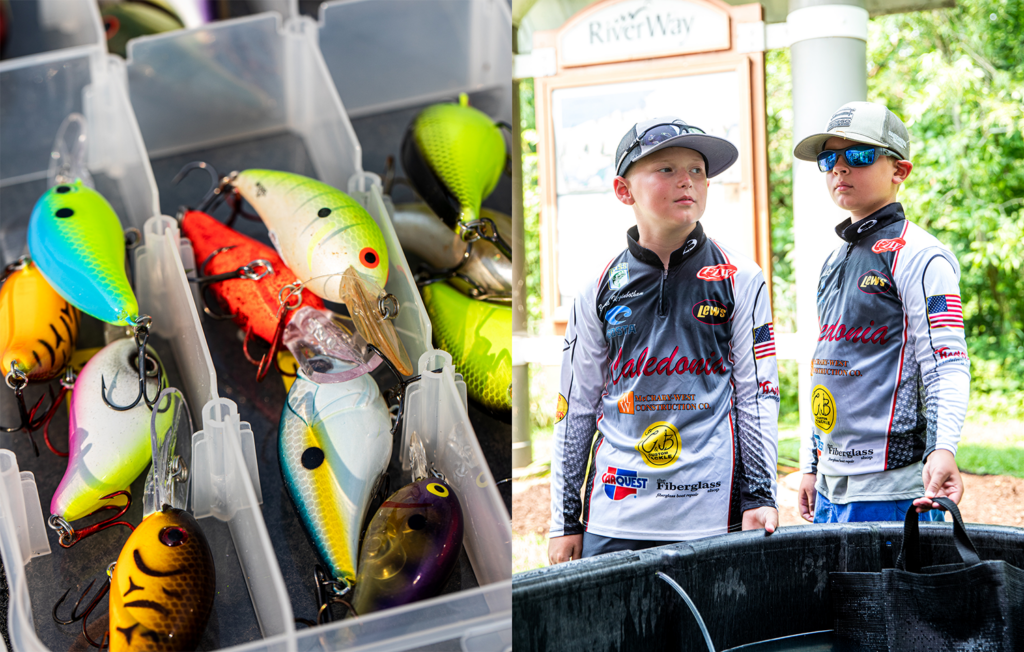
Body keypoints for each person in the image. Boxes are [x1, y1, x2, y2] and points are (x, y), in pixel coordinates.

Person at [548, 117, 780, 563]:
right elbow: (575, 405)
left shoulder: (741, 277)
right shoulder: (595, 286)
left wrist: (760, 496)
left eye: (697, 170)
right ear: (623, 190)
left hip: (713, 515)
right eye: (667, 170)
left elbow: (757, 396)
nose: (687, 182)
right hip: (615, 515)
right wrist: (564, 521)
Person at [792, 101, 971, 524]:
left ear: (899, 171)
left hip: (896, 491)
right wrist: (810, 464)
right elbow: (824, 364)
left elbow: (947, 362)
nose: (840, 168)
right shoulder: (834, 258)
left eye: (858, 155)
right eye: (829, 158)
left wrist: (943, 448)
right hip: (831, 488)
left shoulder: (922, 255)